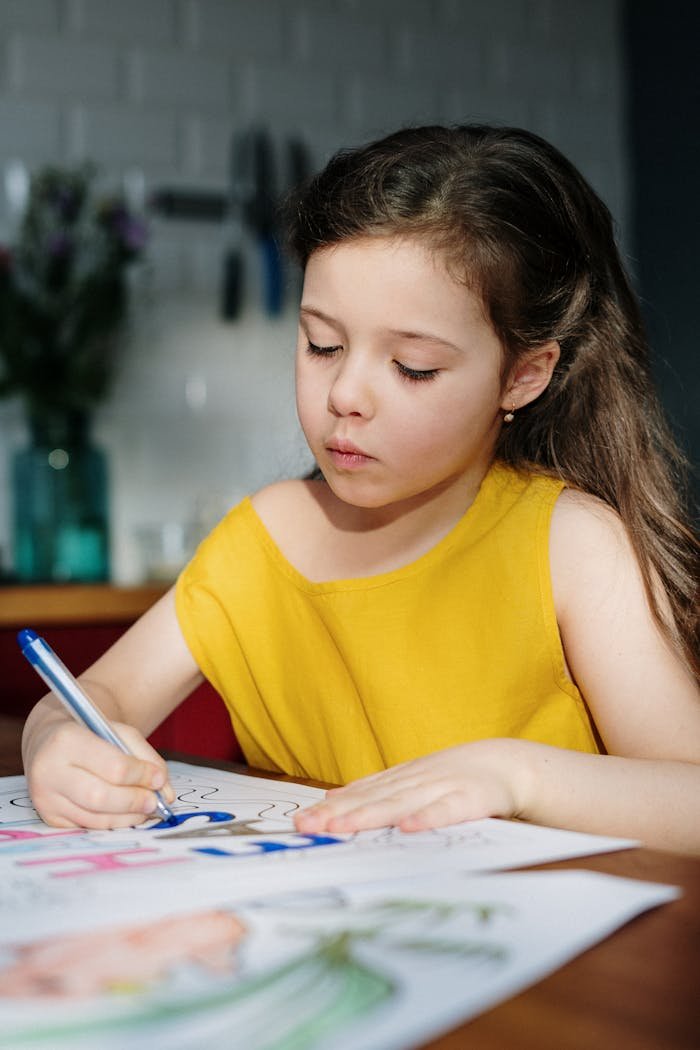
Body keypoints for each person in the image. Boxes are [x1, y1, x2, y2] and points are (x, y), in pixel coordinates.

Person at [22, 125, 700, 853]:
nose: (345, 393)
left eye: (411, 367)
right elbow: (88, 697)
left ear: (522, 375)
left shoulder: (570, 545)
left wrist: (516, 776)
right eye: (322, 345)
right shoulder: (264, 540)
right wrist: (58, 743)